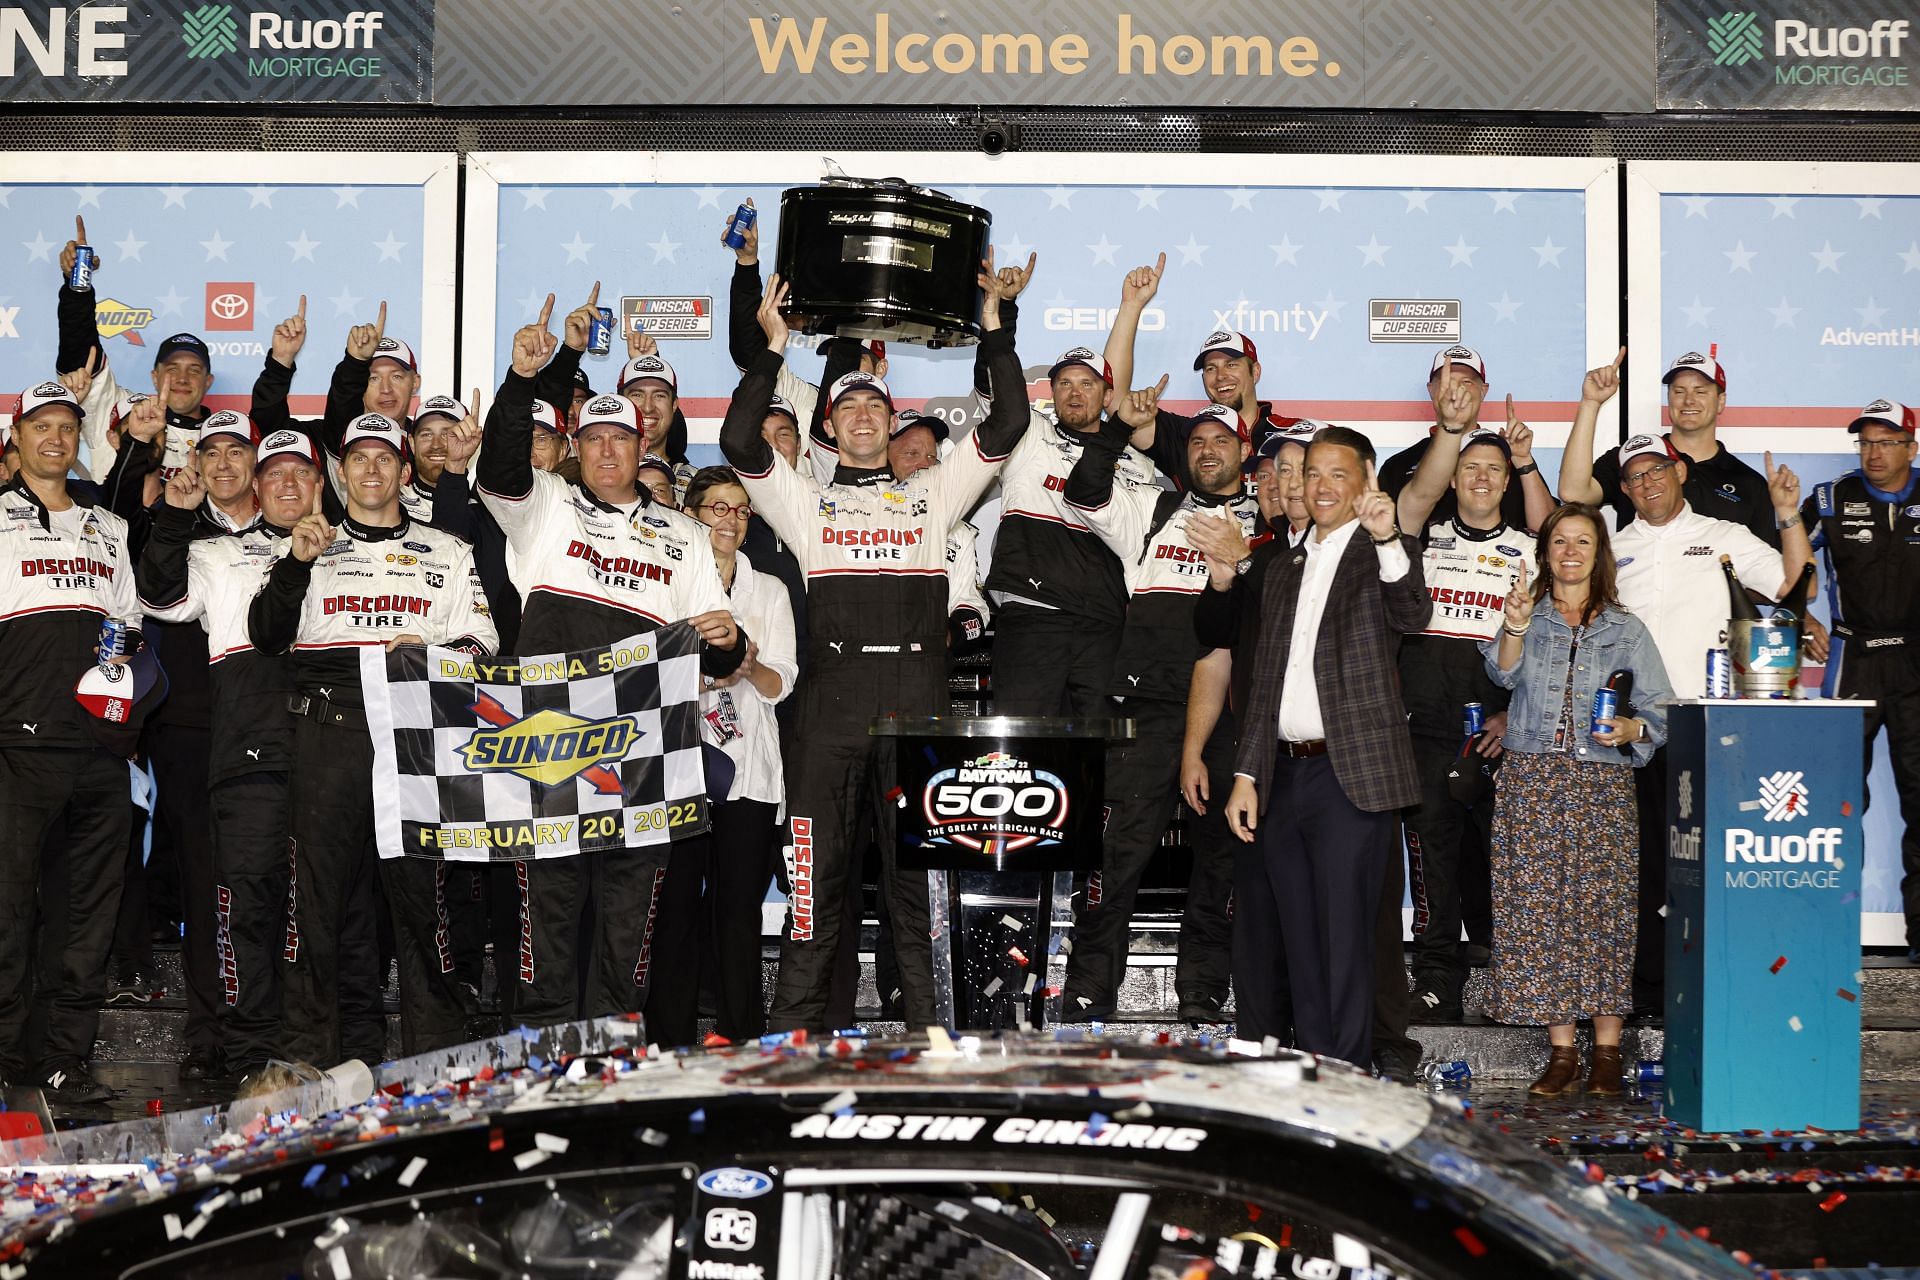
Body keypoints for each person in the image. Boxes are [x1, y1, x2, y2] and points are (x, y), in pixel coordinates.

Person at [718, 265, 1030, 1031]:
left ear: (893, 425)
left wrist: (993, 325)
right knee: (815, 891)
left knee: (917, 893)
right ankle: (791, 1042)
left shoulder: (933, 494)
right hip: (827, 709)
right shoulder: (806, 498)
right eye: (846, 404)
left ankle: (931, 1041)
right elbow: (735, 439)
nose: (861, 414)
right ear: (830, 425)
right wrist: (774, 346)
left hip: (918, 708)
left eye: (874, 405)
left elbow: (1011, 419)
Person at [475, 299, 745, 1035]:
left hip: (642, 760)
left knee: (628, 937)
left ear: (641, 445)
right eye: (590, 439)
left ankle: (610, 1068)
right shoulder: (548, 508)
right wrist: (518, 380)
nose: (604, 452)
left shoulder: (687, 537)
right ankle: (541, 1066)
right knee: (548, 929)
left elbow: (723, 649)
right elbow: (498, 469)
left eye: (617, 439)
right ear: (574, 448)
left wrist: (725, 640)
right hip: (548, 747)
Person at [249, 413, 498, 1063]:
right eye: (357, 458)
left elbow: (484, 642)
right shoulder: (306, 544)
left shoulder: (448, 550)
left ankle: (436, 1066)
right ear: (342, 471)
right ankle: (313, 1065)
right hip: (328, 734)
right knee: (319, 911)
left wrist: (436, 649)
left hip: (415, 737)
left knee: (424, 909)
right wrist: (296, 564)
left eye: (384, 458)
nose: (369, 469)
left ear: (405, 470)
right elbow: (267, 635)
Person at [1588, 353, 1809, 1013]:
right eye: (1634, 477)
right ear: (1624, 489)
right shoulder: (1613, 547)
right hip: (1627, 731)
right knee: (1636, 867)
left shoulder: (1725, 534)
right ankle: (1645, 993)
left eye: (1657, 470)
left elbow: (1790, 587)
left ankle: (1713, 987)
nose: (1647, 483)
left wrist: (1790, 514)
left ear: (1678, 471)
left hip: (1705, 723)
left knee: (1704, 863)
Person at [1212, 427, 1431, 1067]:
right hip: (1281, 775)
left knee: (1346, 939)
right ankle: (1314, 1072)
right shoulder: (1282, 567)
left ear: (1366, 481)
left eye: (1338, 474)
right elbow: (1263, 683)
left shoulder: (1383, 553)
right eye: (1312, 474)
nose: (1323, 486)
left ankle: (1348, 1072)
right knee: (1299, 940)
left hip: (1349, 774)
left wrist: (1390, 537)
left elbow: (1413, 612)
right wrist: (1247, 774)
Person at [1060, 398, 1258, 1023]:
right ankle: (1089, 990)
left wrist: (1243, 554)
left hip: (1228, 713)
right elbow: (1086, 492)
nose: (1207, 450)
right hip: (1142, 707)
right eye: (1197, 440)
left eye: (1220, 441)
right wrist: (1116, 427)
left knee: (1222, 861)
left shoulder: (1269, 518)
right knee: (1114, 856)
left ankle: (1202, 993)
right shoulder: (1154, 506)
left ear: (1244, 453)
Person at [137, 428, 324, 1087]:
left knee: (314, 901)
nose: (220, 463)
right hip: (202, 739)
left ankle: (303, 1044)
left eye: (236, 453)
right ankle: (219, 1039)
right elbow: (156, 598)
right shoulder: (198, 536)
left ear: (260, 472)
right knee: (216, 893)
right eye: (209, 452)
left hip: (307, 739)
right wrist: (174, 515)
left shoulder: (322, 534)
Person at [1482, 503, 1673, 1096]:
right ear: (1546, 552)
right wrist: (1513, 624)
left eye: (1582, 541)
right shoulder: (1527, 616)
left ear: (1599, 553)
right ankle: (1562, 1052)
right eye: (1559, 541)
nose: (1569, 551)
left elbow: (1662, 710)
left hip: (1602, 786)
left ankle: (1609, 1049)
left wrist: (1633, 731)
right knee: (1538, 917)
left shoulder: (1626, 628)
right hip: (1532, 781)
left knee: (1604, 913)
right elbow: (1500, 673)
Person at [0, 381, 140, 1103]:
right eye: (41, 426)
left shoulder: (106, 527)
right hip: (16, 750)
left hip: (98, 755)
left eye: (67, 426)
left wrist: (126, 720)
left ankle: (63, 1061)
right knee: (7, 914)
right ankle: (4, 1060)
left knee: (86, 917)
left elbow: (130, 635)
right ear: (15, 437)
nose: (55, 437)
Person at [1393, 426, 1538, 1022]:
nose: (1481, 478)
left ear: (1509, 481)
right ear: (1452, 478)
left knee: (1510, 860)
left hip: (1504, 732)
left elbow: (1552, 650)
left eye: (1493, 469)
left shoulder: (1533, 552)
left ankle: (1521, 985)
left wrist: (1515, 711)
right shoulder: (1421, 541)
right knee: (1433, 859)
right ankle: (1434, 979)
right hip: (1425, 728)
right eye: (1470, 467)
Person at [977, 260, 1150, 717]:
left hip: (1105, 625)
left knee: (1103, 760)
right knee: (1023, 754)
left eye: (1088, 384)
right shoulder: (1030, 434)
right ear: (1050, 392)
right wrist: (1005, 309)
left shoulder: (1136, 461)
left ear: (1107, 395)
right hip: (1034, 618)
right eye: (1064, 383)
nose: (1075, 393)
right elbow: (996, 384)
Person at [679, 466, 797, 1042]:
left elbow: (784, 682)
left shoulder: (770, 589)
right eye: (717, 507)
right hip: (676, 761)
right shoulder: (669, 579)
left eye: (740, 509)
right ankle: (666, 1028)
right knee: (675, 902)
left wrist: (747, 666)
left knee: (739, 906)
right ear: (690, 514)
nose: (729, 519)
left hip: (748, 766)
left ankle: (741, 1029)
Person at [1803, 399, 1920, 961]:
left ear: (1911, 447)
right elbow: (1778, 562)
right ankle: (1828, 930)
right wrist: (1799, 617)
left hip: (1916, 661)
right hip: (1853, 660)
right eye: (1865, 442)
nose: (1874, 453)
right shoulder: (1830, 499)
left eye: (1886, 442)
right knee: (1837, 801)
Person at [1558, 348, 1780, 547]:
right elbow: (1573, 493)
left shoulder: (1749, 483)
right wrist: (1590, 403)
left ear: (1721, 401)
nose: (1689, 400)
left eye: (1700, 392)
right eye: (1679, 391)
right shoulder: (1632, 459)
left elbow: (1764, 573)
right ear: (1669, 398)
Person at [56, 217, 212, 483]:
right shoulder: (123, 410)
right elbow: (81, 351)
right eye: (172, 368)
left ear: (208, 382)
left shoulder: (223, 437)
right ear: (154, 376)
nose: (182, 379)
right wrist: (78, 287)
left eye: (194, 370)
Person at [1378, 347, 1554, 533]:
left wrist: (1524, 462)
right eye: (1448, 382)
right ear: (1431, 390)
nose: (1457, 390)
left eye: (1467, 382)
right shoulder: (1399, 465)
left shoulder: (1508, 458)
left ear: (1483, 391)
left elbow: (1548, 533)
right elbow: (1383, 535)